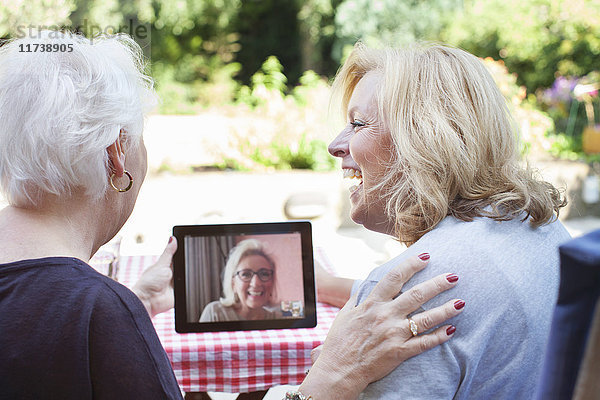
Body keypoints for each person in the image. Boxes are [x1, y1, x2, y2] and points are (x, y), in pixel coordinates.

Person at [0, 31, 465, 400]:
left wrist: (136, 304)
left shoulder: (93, 310)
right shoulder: (97, 309)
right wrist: (329, 381)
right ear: (118, 153)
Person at [322, 42, 572, 399]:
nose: (335, 144)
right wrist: (327, 285)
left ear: (425, 138)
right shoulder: (535, 225)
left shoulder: (413, 286)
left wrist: (328, 375)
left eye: (358, 124)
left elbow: (434, 291)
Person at [200, 239, 280, 321]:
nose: (256, 283)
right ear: (233, 283)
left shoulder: (277, 318)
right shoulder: (215, 313)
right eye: (246, 274)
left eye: (264, 274)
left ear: (272, 281)